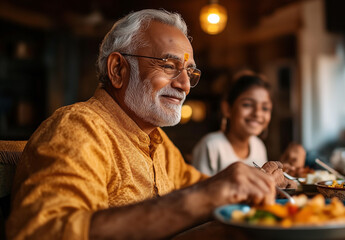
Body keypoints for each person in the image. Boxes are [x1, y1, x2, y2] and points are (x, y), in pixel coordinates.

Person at [6, 9, 288, 240]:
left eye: (190, 72)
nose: (185, 85)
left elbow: (209, 187)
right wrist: (199, 199)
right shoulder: (79, 129)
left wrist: (256, 181)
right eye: (168, 66)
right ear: (118, 70)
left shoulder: (158, 142)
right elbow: (41, 233)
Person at [191, 72, 304, 182]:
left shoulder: (258, 146)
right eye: (247, 105)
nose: (257, 114)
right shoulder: (211, 146)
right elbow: (198, 193)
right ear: (227, 109)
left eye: (265, 108)